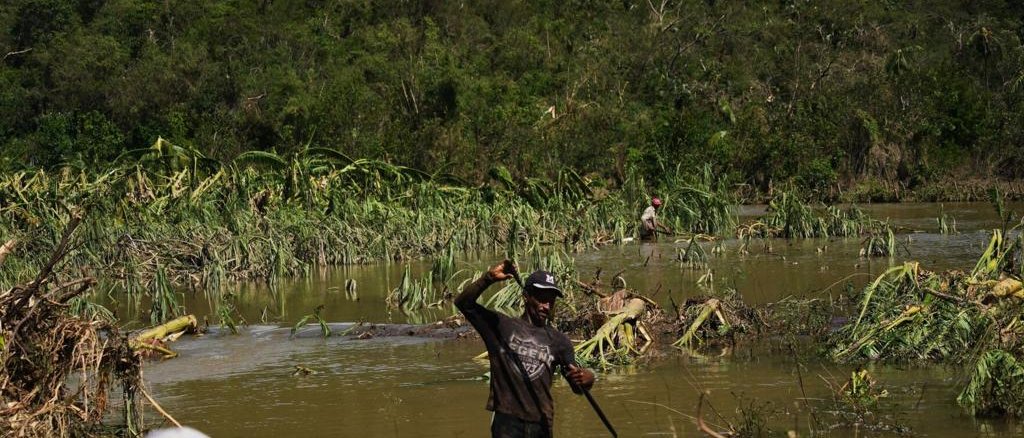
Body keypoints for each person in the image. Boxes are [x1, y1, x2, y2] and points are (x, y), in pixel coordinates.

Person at [455, 260, 596, 438]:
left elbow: (577, 386)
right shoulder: (500, 326)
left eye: (551, 301)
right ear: (526, 296)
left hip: (542, 423)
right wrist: (489, 278)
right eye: (541, 298)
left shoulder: (560, 341)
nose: (546, 306)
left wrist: (588, 378)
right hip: (508, 422)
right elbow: (463, 303)